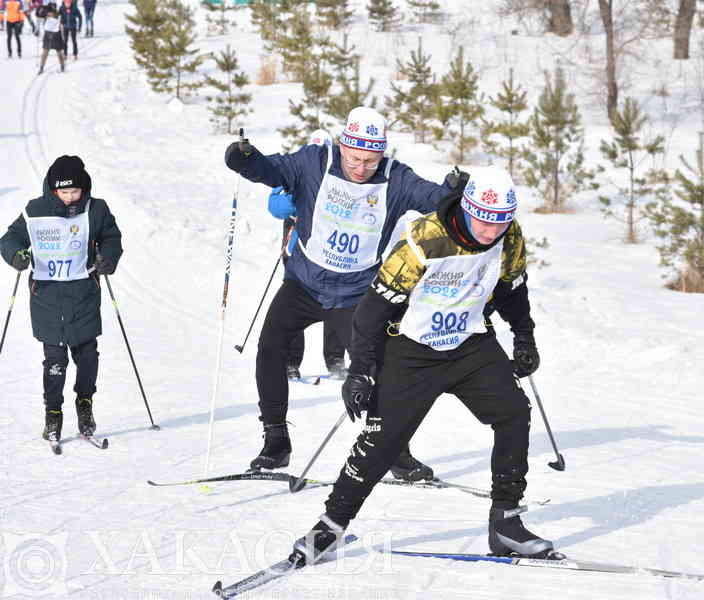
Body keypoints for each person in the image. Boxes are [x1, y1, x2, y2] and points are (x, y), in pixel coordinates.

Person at [288, 166, 552, 568]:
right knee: (382, 442)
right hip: (411, 350)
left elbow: (512, 288)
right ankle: (331, 525)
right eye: (483, 217)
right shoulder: (424, 238)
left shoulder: (508, 236)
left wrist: (524, 336)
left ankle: (506, 523)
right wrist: (362, 370)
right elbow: (372, 312)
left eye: (500, 220)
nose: (489, 229)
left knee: (514, 414)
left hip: (468, 343)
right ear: (467, 206)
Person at [224, 106, 457, 478]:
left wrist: (453, 191)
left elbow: (434, 200)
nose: (361, 167)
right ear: (342, 145)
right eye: (354, 157)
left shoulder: (396, 178)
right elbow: (270, 170)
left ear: (382, 154)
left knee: (379, 369)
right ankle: (276, 442)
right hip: (304, 283)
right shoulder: (314, 162)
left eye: (370, 160)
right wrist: (245, 159)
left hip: (357, 293)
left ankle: (394, 452)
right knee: (270, 347)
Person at [0, 155, 123, 444]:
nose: (70, 198)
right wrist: (17, 256)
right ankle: (53, 413)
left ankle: (85, 404)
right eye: (64, 192)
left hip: (84, 295)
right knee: (55, 361)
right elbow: (9, 240)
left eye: (75, 192)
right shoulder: (36, 210)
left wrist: (108, 258)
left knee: (87, 355)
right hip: (47, 298)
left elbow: (111, 237)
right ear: (53, 190)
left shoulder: (96, 209)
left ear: (84, 189)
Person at [267, 128, 349, 382]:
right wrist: (301, 199)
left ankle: (335, 360)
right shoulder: (296, 172)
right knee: (292, 308)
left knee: (336, 304)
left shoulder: (339, 175)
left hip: (333, 252)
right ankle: (291, 362)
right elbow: (276, 206)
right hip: (296, 251)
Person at [36, 1, 62, 74]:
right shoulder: (46, 10)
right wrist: (40, 9)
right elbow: (38, 14)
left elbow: (58, 15)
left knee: (59, 52)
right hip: (48, 34)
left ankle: (62, 66)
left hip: (56, 34)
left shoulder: (57, 11)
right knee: (45, 52)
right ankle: (41, 67)